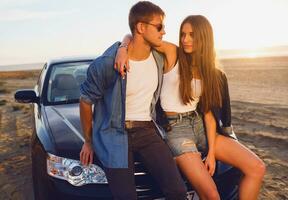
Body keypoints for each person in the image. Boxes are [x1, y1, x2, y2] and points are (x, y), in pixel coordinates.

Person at [115, 15, 266, 200]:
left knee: (257, 167)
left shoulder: (210, 72)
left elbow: (209, 114)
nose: (185, 39)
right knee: (211, 195)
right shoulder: (173, 53)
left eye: (192, 35)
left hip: (200, 125)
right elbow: (140, 35)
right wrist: (123, 47)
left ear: (204, 38)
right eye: (183, 34)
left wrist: (211, 153)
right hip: (176, 130)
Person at [79, 1, 187, 200]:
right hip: (114, 134)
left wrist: (124, 43)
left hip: (147, 130)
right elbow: (85, 101)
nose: (164, 32)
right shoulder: (106, 64)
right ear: (141, 27)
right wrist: (88, 140)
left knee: (178, 191)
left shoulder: (159, 57)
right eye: (159, 26)